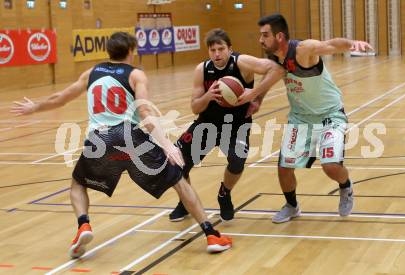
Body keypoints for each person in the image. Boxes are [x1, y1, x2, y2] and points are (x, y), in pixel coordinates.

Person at [10, 32, 232, 258]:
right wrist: (167, 145)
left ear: (108, 51)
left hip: (100, 140)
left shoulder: (91, 73)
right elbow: (144, 111)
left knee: (77, 184)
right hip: (129, 137)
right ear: (131, 51)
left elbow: (61, 97)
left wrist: (35, 107)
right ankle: (211, 234)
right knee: (179, 180)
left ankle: (83, 225)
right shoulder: (136, 74)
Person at [239, 14, 374, 223]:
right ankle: (292, 206)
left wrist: (352, 44)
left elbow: (330, 45)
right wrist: (258, 100)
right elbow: (270, 79)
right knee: (284, 168)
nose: (260, 40)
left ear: (280, 36)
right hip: (300, 118)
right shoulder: (275, 59)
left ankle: (345, 186)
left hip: (330, 114)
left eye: (265, 35)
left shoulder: (303, 50)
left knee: (330, 166)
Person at [169, 28, 283, 222]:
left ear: (230, 49)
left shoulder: (241, 63)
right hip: (207, 124)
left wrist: (256, 96)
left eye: (221, 49)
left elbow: (276, 69)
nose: (217, 53)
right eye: (212, 50)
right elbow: (195, 108)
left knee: (237, 160)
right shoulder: (202, 69)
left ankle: (224, 194)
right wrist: (208, 96)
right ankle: (185, 202)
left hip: (236, 126)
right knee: (177, 163)